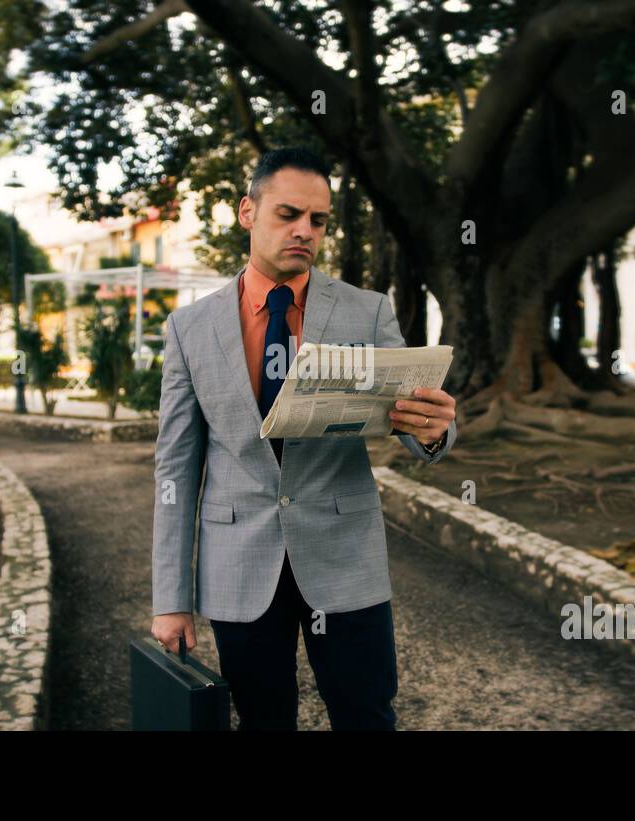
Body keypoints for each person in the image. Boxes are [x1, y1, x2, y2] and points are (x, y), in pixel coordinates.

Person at [150, 147, 457, 730]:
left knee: (366, 715)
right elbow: (175, 469)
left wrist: (435, 431)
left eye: (318, 221)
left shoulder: (367, 313)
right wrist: (171, 597)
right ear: (247, 212)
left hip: (345, 554)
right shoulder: (189, 328)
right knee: (263, 721)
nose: (304, 231)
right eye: (288, 214)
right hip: (238, 560)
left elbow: (419, 422)